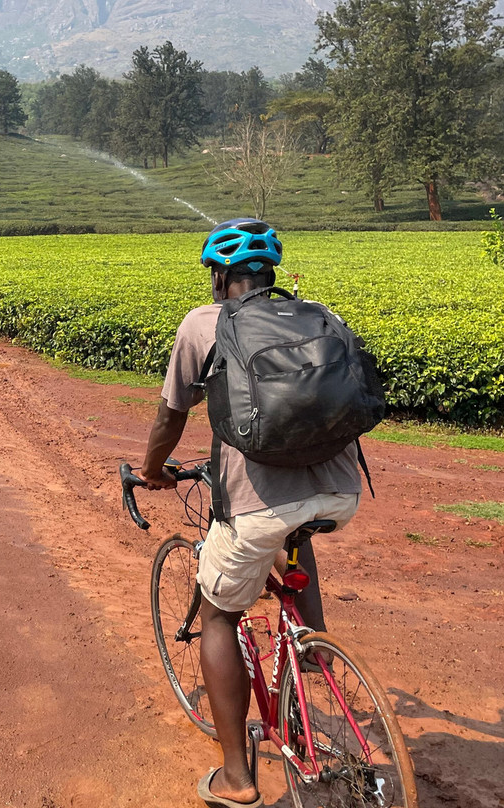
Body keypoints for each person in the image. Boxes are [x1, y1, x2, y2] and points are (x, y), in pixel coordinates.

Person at [139, 219, 362, 808]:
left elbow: (171, 416)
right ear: (271, 274)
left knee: (218, 617)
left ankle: (237, 778)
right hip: (339, 494)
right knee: (297, 535)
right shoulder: (319, 314)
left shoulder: (202, 324)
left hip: (256, 507)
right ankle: (309, 652)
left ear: (219, 277)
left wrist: (153, 471)